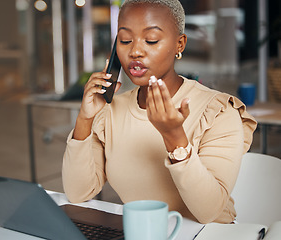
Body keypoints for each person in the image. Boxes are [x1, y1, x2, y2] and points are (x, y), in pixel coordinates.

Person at [62, 0, 257, 224]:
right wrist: (85, 119)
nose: (135, 51)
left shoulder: (218, 112)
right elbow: (78, 193)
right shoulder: (111, 110)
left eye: (151, 40)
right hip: (145, 232)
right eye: (125, 40)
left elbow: (208, 212)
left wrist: (175, 138)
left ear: (180, 44)